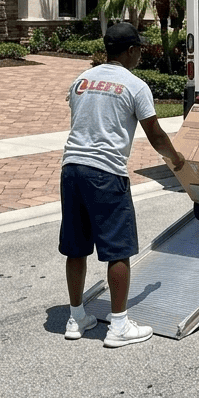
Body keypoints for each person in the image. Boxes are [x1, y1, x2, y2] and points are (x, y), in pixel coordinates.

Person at [59, 21, 184, 347]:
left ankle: (76, 318)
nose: (141, 53)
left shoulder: (81, 81)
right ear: (131, 51)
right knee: (118, 250)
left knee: (77, 248)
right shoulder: (135, 85)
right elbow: (155, 135)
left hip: (71, 170)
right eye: (139, 48)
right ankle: (118, 326)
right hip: (105, 173)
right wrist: (176, 159)